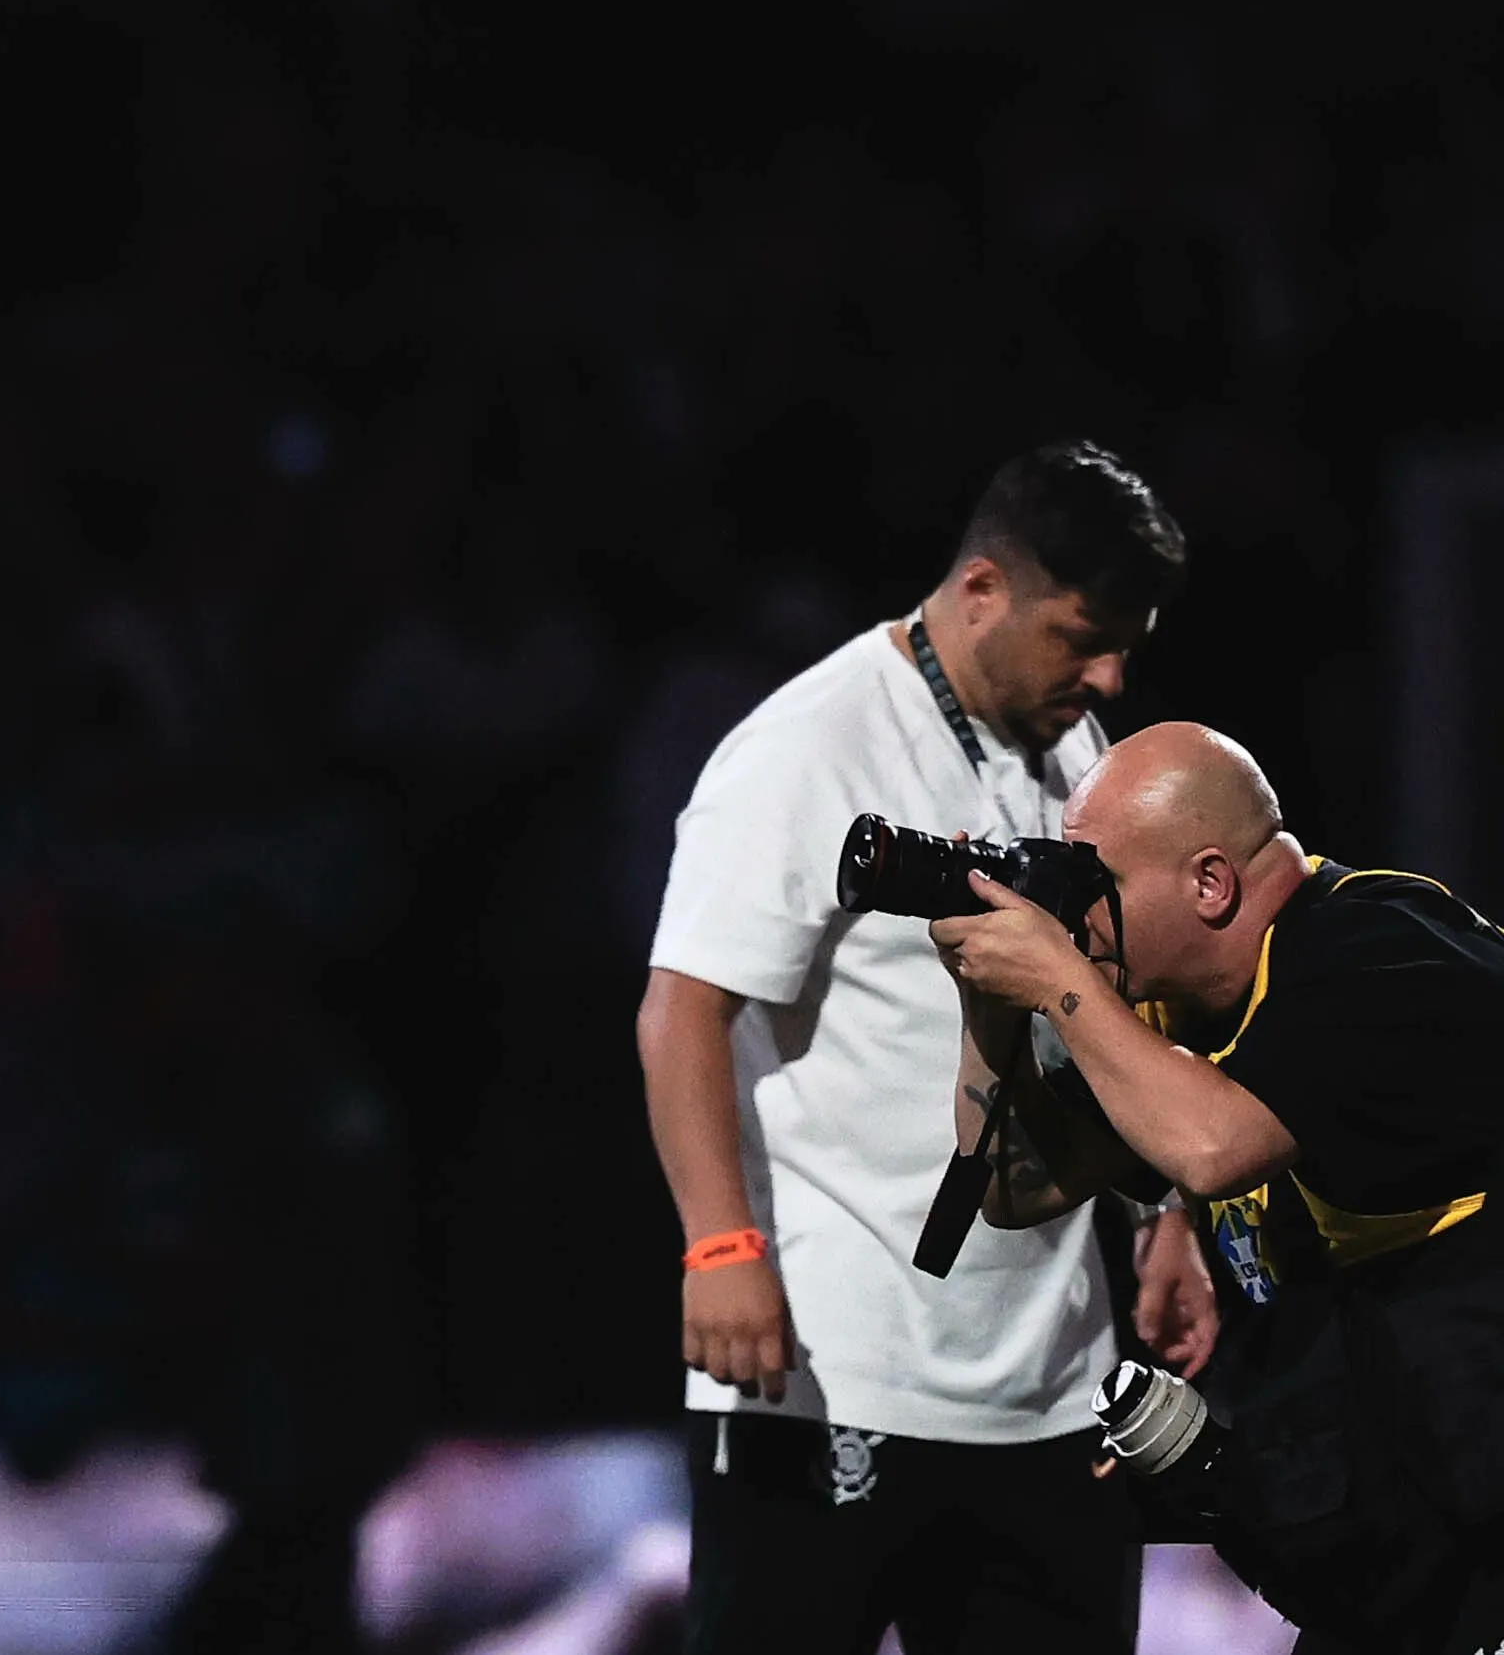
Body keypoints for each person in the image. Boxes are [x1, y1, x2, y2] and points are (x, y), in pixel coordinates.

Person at [634, 438, 1213, 1655]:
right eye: (1081, 633)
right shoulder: (805, 746)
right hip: (832, 1372)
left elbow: (1112, 1006)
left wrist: (1163, 1213)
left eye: (1126, 642)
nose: (1107, 673)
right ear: (981, 588)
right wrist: (718, 1244)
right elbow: (683, 1006)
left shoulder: (1076, 753)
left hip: (1057, 1385)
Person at [933, 721, 1504, 1653]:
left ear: (1210, 881)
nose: (1073, 913)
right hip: (1398, 1523)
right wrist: (989, 1007)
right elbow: (1012, 1187)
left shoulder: (1378, 944)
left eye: (1095, 881)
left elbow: (1212, 1146)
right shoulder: (1177, 1007)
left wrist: (1059, 980)